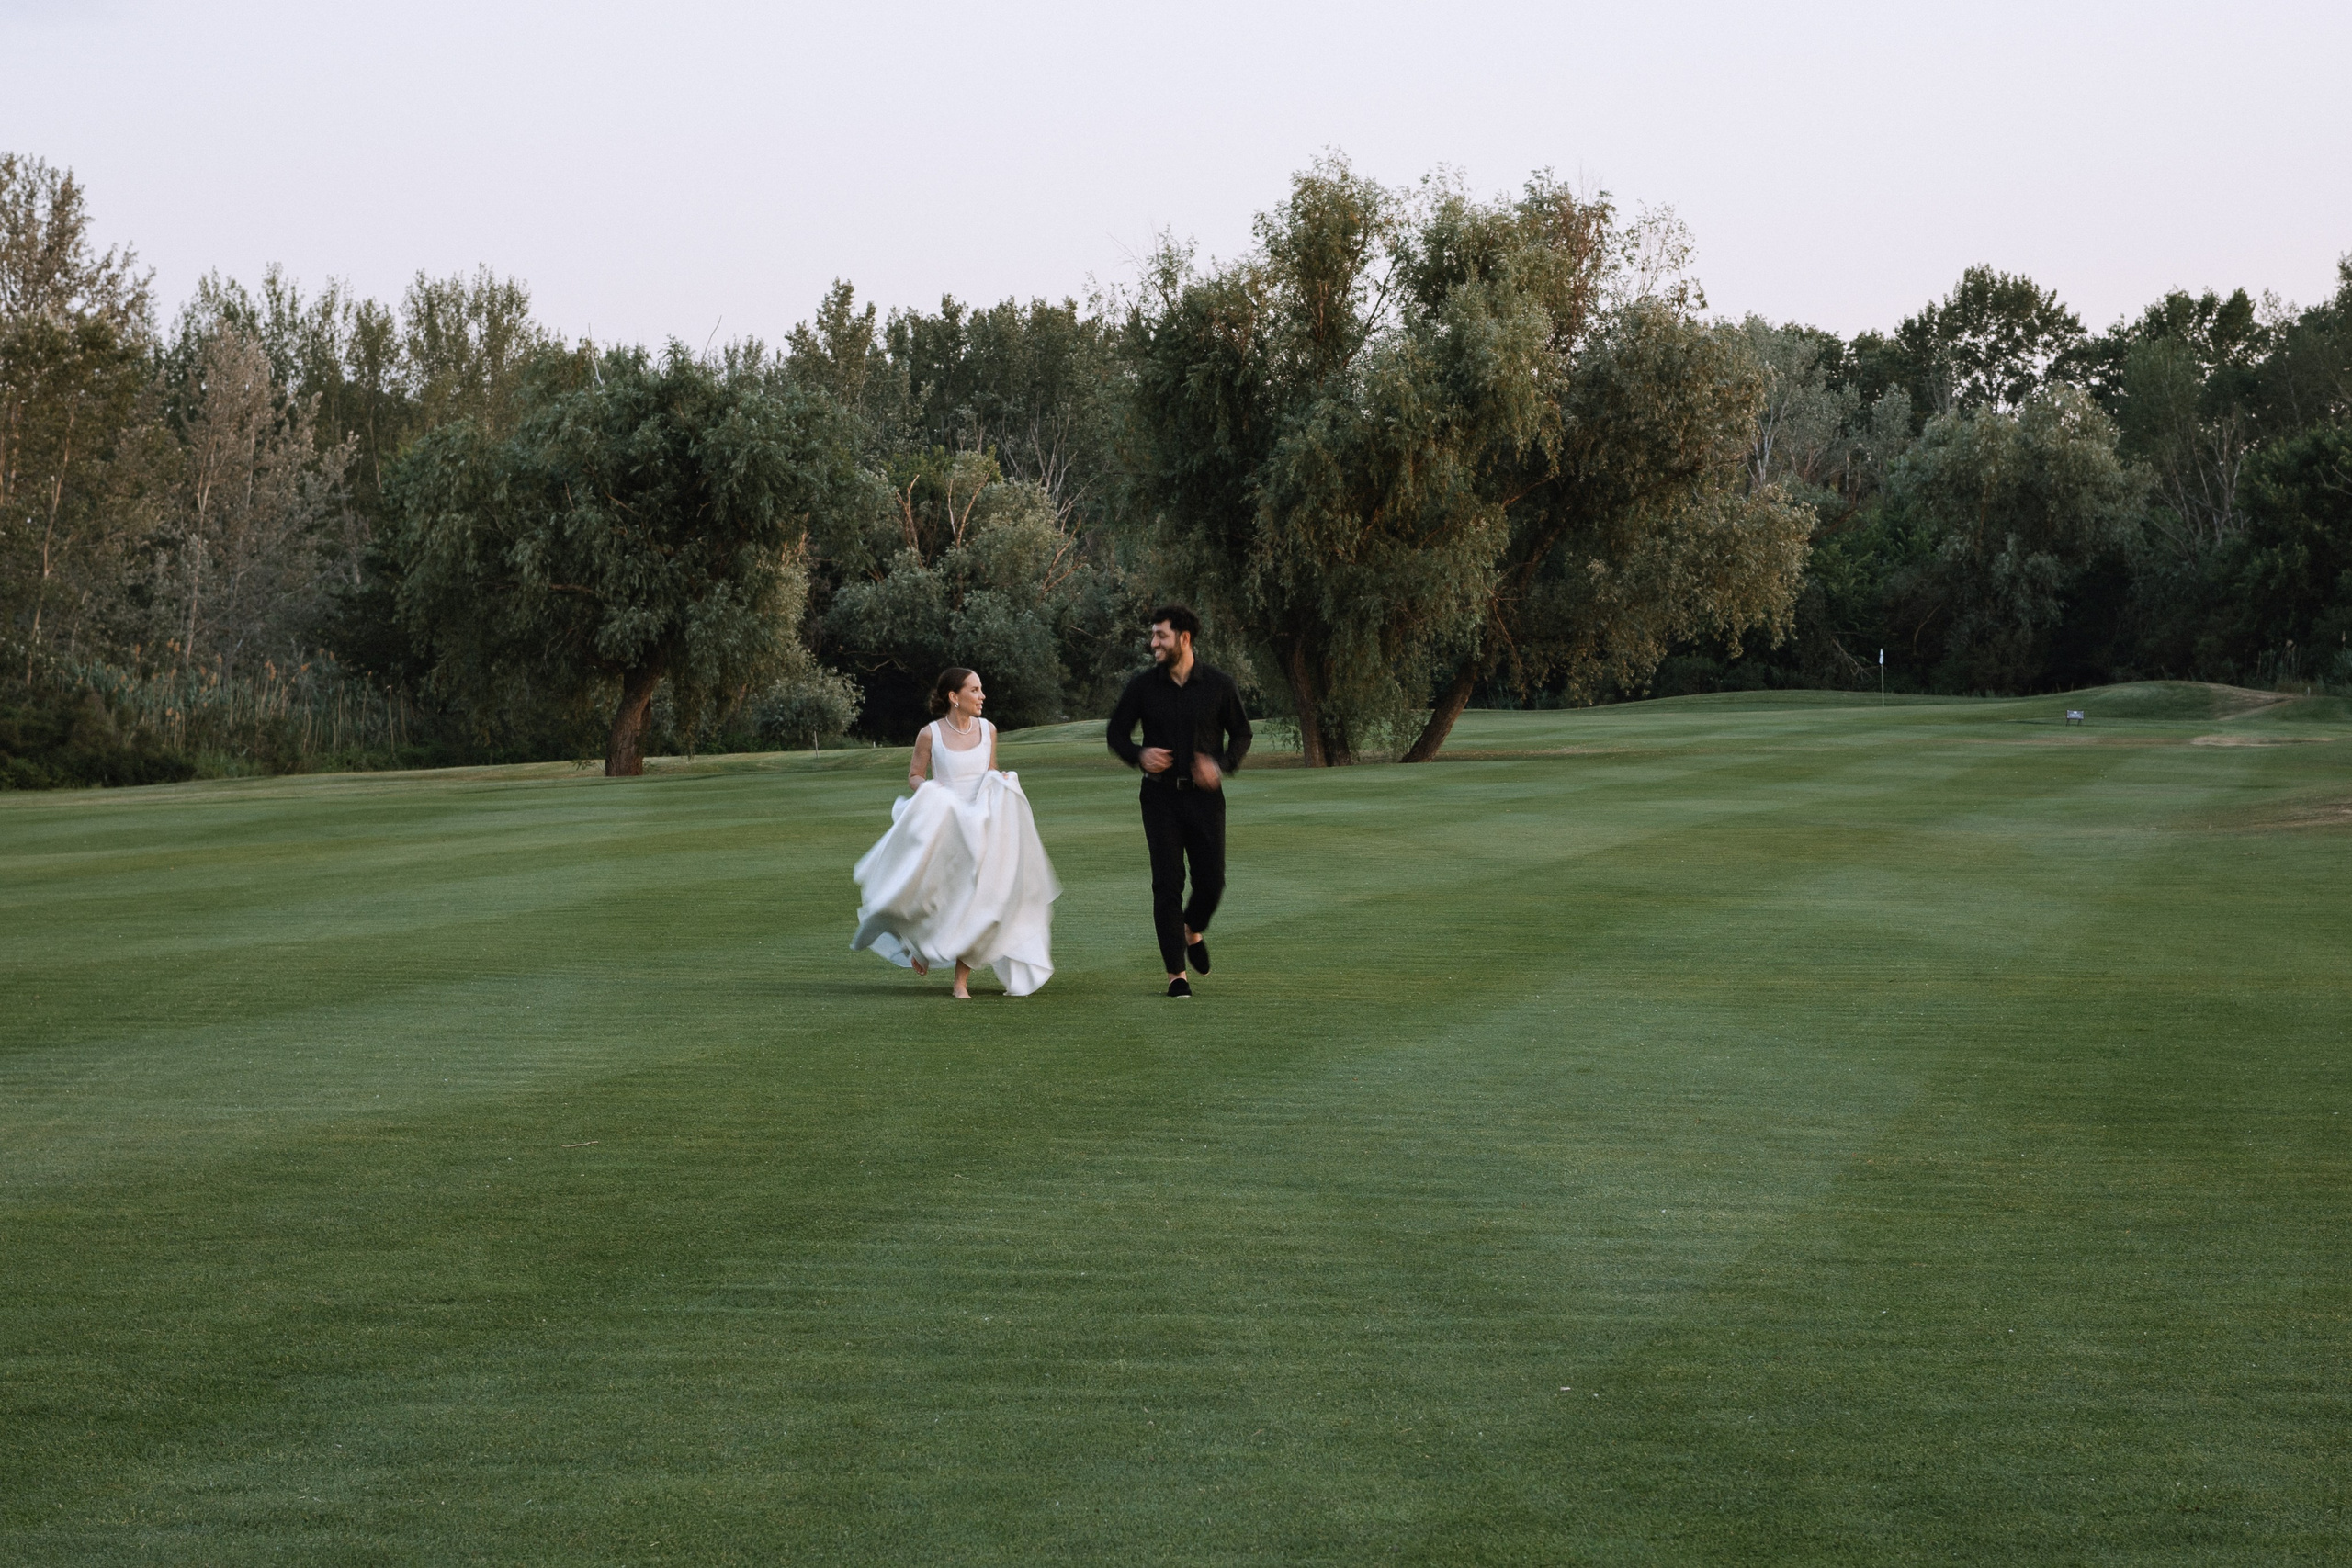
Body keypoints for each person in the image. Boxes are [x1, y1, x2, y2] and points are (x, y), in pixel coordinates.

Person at [852, 668, 1059, 998]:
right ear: (954, 697)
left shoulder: (989, 730)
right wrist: (935, 793)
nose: (982, 697)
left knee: (980, 899)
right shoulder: (930, 734)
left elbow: (988, 770)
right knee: (938, 896)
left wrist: (1001, 779)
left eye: (981, 690)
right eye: (975, 690)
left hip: (982, 824)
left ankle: (960, 981)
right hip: (946, 824)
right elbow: (915, 776)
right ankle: (920, 946)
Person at [1105, 604, 1252, 998]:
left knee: (1212, 882)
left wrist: (1221, 765)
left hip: (1205, 798)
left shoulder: (1219, 685)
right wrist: (1139, 755)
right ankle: (1176, 976)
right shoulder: (1142, 686)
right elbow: (1116, 733)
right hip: (1159, 798)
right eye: (1153, 635)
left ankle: (1191, 929)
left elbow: (1242, 734)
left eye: (1161, 636)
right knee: (1167, 884)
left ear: (1184, 639)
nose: (1153, 642)